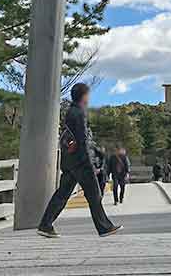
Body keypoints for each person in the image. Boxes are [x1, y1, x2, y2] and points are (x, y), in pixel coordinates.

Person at [38, 83, 122, 238]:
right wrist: (89, 162)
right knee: (94, 194)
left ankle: (45, 224)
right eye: (88, 94)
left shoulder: (70, 111)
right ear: (84, 96)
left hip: (69, 161)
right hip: (81, 161)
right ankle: (104, 227)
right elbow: (82, 140)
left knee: (62, 194)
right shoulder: (79, 113)